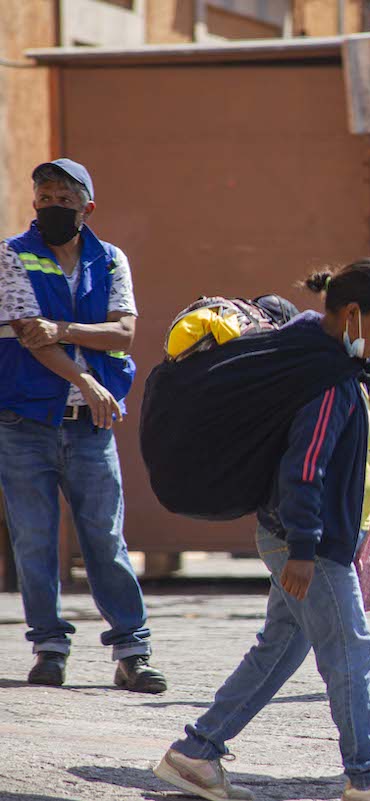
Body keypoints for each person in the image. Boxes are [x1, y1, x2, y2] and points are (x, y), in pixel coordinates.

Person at [155, 259, 370, 801]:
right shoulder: (325, 380)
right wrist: (302, 547)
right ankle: (368, 777)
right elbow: (305, 468)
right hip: (309, 543)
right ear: (352, 315)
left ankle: (196, 754)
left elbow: (341, 450)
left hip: (302, 538)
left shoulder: (320, 356)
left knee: (280, 647)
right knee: (351, 653)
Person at [0, 158, 165, 692]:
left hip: (90, 428)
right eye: (44, 198)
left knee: (105, 538)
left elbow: (124, 334)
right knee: (34, 540)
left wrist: (66, 328)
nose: (51, 207)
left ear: (86, 208)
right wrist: (90, 380)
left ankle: (131, 652)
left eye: (63, 200)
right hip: (24, 422)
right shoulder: (12, 256)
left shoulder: (110, 259)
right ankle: (49, 648)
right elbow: (30, 336)